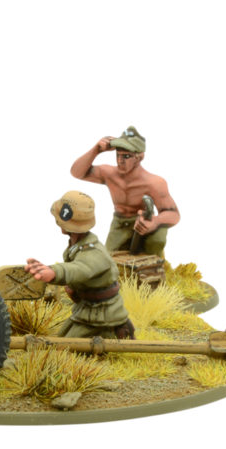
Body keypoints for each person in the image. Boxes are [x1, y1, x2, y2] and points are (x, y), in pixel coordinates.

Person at [25, 191, 135, 340]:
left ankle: (114, 332)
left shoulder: (95, 252)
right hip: (86, 308)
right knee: (62, 336)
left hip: (102, 314)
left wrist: (54, 272)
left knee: (65, 346)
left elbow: (80, 269)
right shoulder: (78, 245)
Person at [70, 127, 179, 257]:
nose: (120, 161)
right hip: (119, 225)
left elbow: (173, 214)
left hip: (142, 224)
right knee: (109, 261)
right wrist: (96, 150)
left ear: (139, 157)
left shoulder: (154, 183)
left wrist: (155, 222)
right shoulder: (109, 174)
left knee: (151, 257)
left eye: (126, 156)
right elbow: (77, 172)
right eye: (118, 155)